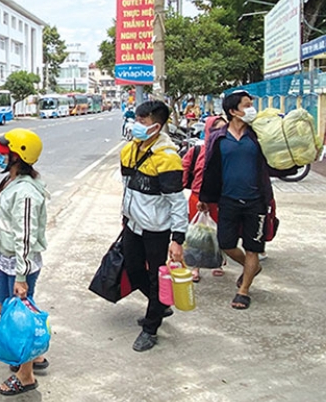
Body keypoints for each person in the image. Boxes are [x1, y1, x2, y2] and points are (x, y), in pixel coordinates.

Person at [198, 91, 296, 310]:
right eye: (246, 105)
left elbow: (277, 159)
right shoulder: (218, 138)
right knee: (227, 244)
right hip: (228, 200)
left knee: (253, 247)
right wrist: (205, 197)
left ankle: (243, 290)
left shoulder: (258, 135)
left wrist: (294, 161)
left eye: (252, 104)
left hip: (257, 202)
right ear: (233, 111)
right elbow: (210, 169)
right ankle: (251, 267)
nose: (251, 109)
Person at [119, 100, 188, 352]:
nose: (136, 125)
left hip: (157, 230)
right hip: (133, 225)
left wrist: (177, 239)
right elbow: (126, 187)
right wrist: (124, 217)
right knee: (134, 270)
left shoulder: (168, 158)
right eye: (136, 119)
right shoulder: (129, 150)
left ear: (156, 126)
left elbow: (178, 203)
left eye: (142, 122)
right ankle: (159, 305)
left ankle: (151, 327)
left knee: (156, 277)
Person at [0, 128, 48, 396]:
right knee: (1, 306)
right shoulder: (12, 183)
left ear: (18, 156)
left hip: (20, 264)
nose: (0, 157)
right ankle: (34, 354)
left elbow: (25, 235)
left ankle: (26, 376)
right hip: (8, 260)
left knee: (20, 320)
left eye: (4, 153)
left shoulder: (26, 193)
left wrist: (21, 277)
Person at [182, 116, 228, 282]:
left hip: (220, 198)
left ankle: (217, 262)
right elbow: (184, 168)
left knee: (217, 231)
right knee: (197, 233)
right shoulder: (197, 151)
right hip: (197, 197)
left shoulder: (227, 150)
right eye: (216, 129)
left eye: (223, 129)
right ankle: (195, 266)